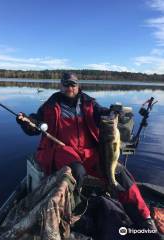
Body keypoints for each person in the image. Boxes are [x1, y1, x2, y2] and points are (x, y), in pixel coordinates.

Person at [16, 72, 159, 237]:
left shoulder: (89, 103)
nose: (70, 87)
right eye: (66, 84)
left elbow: (104, 114)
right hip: (63, 149)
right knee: (77, 172)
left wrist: (113, 113)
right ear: (60, 86)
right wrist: (27, 122)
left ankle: (144, 220)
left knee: (121, 174)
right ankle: (77, 215)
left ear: (78, 86)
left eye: (73, 84)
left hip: (89, 151)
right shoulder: (50, 105)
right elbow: (35, 124)